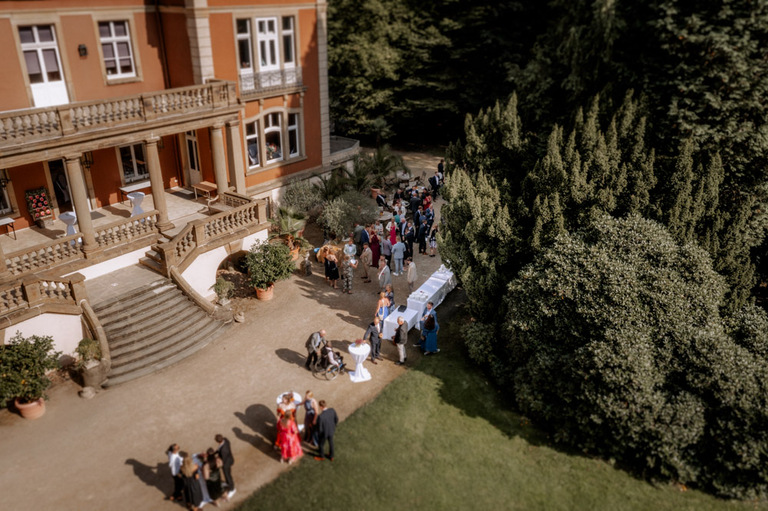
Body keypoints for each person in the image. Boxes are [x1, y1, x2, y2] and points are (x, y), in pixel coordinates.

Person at [215, 434, 236, 499]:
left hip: (226, 463)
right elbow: (220, 449)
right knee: (226, 474)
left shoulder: (224, 450)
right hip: (229, 459)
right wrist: (216, 453)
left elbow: (222, 459)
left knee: (228, 475)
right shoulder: (225, 440)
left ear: (218, 441)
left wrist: (217, 459)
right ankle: (227, 483)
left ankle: (232, 489)